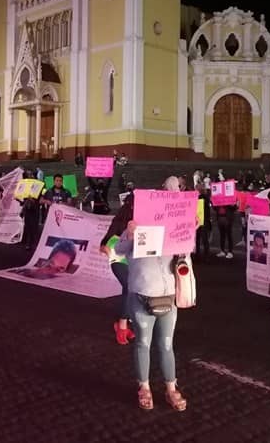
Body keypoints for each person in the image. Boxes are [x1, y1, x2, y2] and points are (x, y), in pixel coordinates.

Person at [114, 175, 187, 412]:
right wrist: (128, 233)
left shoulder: (171, 227)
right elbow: (118, 249)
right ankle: (144, 386)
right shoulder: (133, 229)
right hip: (142, 296)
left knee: (167, 346)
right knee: (143, 344)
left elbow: (186, 253)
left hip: (168, 297)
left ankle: (171, 388)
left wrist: (189, 228)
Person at [100, 192, 136, 345]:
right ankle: (122, 325)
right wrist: (106, 249)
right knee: (129, 286)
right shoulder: (121, 220)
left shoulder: (142, 220)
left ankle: (126, 323)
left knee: (133, 289)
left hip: (133, 259)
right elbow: (104, 242)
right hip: (118, 258)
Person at [195, 182, 212, 262]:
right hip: (200, 221)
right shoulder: (204, 197)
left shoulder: (203, 198)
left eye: (196, 189)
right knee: (199, 239)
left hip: (203, 221)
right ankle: (201, 255)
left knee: (203, 239)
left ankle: (205, 255)